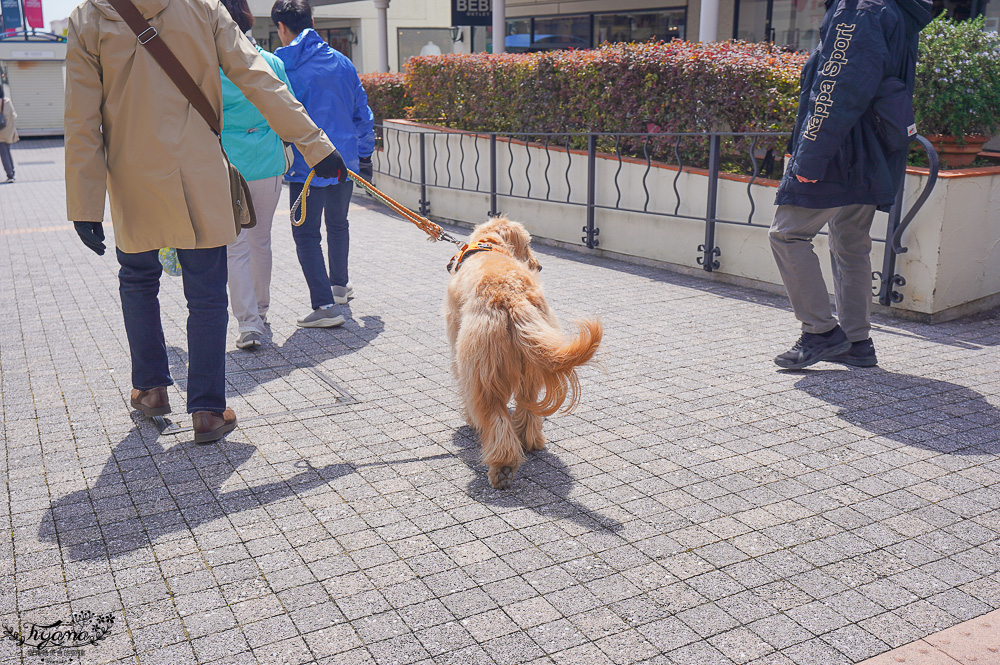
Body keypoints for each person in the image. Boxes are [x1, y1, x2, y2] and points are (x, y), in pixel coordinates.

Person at [65, 0, 347, 442]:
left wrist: (84, 204)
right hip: (200, 171)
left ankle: (152, 389)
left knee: (138, 280)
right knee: (207, 293)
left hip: (132, 176)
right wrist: (315, 145)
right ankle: (208, 413)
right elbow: (259, 78)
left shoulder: (88, 17)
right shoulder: (203, 7)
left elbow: (81, 118)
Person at [769, 0, 932, 370]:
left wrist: (810, 157)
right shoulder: (890, 7)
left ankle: (821, 333)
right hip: (871, 152)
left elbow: (838, 85)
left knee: (786, 235)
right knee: (851, 244)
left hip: (840, 151)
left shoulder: (860, 8)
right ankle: (858, 342)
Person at [271, 0, 375, 328]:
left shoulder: (283, 67)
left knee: (305, 235)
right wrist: (365, 156)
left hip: (308, 164)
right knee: (338, 224)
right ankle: (339, 287)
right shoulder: (343, 62)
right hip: (343, 161)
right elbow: (362, 112)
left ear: (281, 28)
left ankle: (324, 306)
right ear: (312, 20)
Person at [219, 0, 295, 350]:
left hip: (227, 164)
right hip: (266, 160)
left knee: (235, 247)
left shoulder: (208, 65)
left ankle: (248, 324)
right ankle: (262, 313)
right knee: (260, 239)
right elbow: (289, 111)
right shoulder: (273, 61)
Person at [0, 81, 17, 183]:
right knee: (8, 152)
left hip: (0, 133)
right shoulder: (7, 101)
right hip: (8, 132)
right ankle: (12, 172)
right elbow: (14, 116)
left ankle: (10, 174)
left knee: (3, 154)